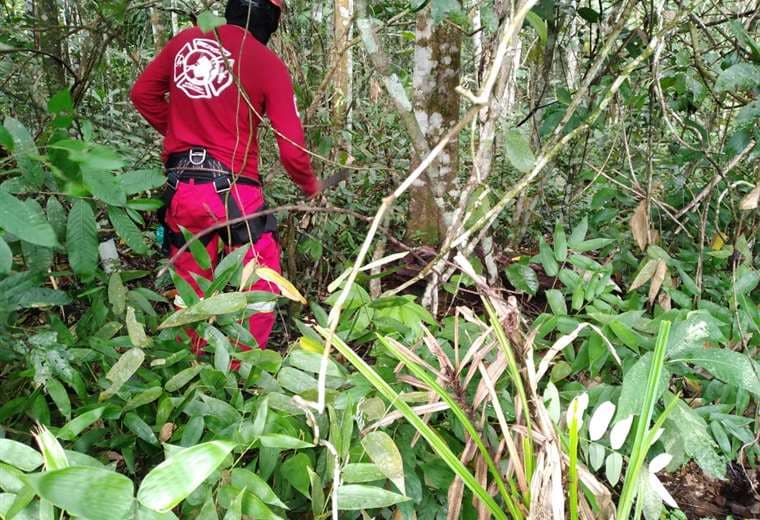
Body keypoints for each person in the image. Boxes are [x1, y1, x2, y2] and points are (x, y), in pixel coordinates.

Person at [130, 0, 319, 354]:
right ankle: (243, 368)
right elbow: (292, 150)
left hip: (182, 188)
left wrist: (178, 134)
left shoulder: (186, 41)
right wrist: (310, 186)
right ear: (270, 19)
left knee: (190, 287)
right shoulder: (268, 64)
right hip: (235, 194)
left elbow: (142, 94)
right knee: (261, 285)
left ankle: (193, 367)